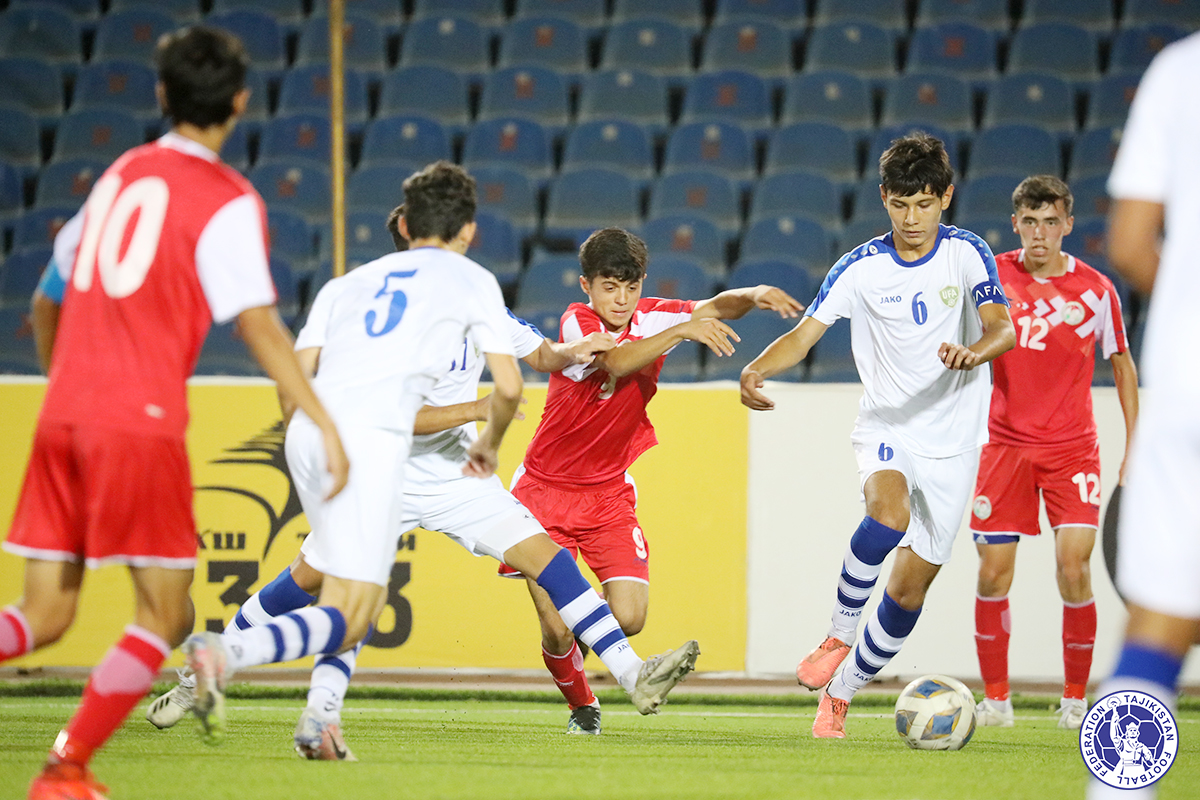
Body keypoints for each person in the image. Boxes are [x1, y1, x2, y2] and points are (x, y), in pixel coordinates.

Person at [148, 204, 701, 752]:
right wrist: (473, 410)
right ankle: (207, 674)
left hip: (456, 477)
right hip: (383, 473)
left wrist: (571, 351)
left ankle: (632, 675)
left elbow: (540, 355)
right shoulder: (389, 323)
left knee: (547, 558)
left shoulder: (478, 300)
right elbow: (387, 415)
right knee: (312, 584)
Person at [0, 26, 349, 800]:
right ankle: (64, 769)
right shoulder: (226, 200)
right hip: (137, 423)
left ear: (160, 96)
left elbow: (45, 297)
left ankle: (67, 767)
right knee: (163, 612)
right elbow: (258, 324)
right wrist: (320, 419)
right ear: (239, 102)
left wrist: (68, 383)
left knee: (41, 613)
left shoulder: (120, 173)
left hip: (61, 413)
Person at [740, 132, 1016, 739]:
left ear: (945, 197)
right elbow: (805, 335)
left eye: (924, 204)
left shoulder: (968, 254)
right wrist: (757, 367)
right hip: (888, 425)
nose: (912, 219)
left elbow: (1004, 328)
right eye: (900, 205)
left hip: (956, 441)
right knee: (886, 515)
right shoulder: (861, 267)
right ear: (884, 199)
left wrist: (973, 352)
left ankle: (840, 695)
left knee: (909, 589)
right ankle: (838, 635)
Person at [504, 227, 804, 734]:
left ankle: (589, 640)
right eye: (608, 287)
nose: (620, 300)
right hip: (543, 495)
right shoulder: (578, 323)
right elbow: (617, 361)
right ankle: (583, 706)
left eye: (630, 286)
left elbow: (716, 306)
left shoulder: (654, 314)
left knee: (631, 616)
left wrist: (751, 295)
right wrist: (681, 332)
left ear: (641, 283)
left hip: (607, 496)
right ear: (586, 286)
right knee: (556, 630)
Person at [970, 175, 1138, 730]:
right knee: (994, 574)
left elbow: (1122, 364)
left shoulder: (1096, 290)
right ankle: (996, 701)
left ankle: (1073, 701)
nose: (1040, 234)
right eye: (1030, 222)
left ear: (1068, 225)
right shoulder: (990, 276)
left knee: (1074, 567)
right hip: (1004, 447)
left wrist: (1133, 444)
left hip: (1072, 451)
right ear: (1016, 223)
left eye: (1051, 222)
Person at [1089, 30, 1200, 800]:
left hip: (1191, 384)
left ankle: (1117, 791)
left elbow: (1129, 244)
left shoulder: (1180, 70)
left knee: (1157, 630)